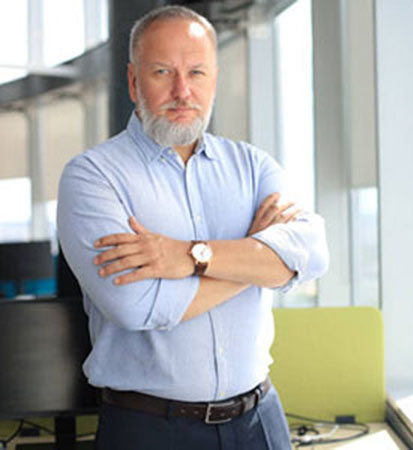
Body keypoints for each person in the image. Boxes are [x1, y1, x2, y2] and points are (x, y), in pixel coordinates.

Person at [56, 5, 328, 450]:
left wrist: (188, 256)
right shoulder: (93, 176)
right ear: (133, 81)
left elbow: (312, 252)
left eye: (197, 72)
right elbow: (135, 304)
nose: (183, 91)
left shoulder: (252, 166)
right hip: (149, 430)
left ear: (214, 79)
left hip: (260, 423)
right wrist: (256, 260)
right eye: (163, 72)